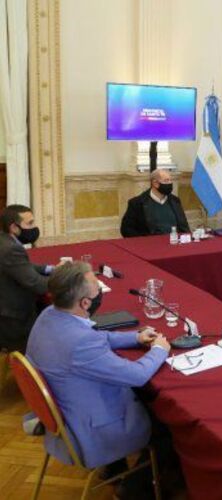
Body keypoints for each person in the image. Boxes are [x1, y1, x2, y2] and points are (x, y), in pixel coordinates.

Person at [25, 261, 171, 473]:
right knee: (169, 426)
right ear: (85, 303)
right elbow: (137, 375)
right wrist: (159, 349)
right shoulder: (81, 343)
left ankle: (114, 470)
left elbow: (94, 336)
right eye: (98, 288)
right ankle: (134, 489)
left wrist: (135, 337)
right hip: (91, 430)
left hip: (71, 414)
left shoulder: (49, 314)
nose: (101, 291)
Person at [0, 205, 55, 352]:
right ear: (14, 227)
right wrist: (67, 277)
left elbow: (22, 265)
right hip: (14, 320)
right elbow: (37, 284)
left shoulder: (4, 239)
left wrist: (50, 269)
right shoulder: (11, 249)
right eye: (29, 224)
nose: (34, 227)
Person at [120, 169, 190, 237]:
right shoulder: (137, 203)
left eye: (170, 180)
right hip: (150, 245)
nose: (170, 183)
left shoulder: (175, 201)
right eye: (166, 181)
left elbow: (184, 226)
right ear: (155, 183)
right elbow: (126, 230)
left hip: (174, 243)